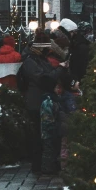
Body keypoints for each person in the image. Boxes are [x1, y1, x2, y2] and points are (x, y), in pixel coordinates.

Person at [16, 31, 57, 174]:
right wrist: (57, 72)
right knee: (38, 135)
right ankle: (38, 166)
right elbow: (42, 78)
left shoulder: (39, 58)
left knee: (41, 134)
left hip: (41, 100)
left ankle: (42, 165)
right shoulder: (30, 60)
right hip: (36, 102)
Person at [40, 80, 64, 175]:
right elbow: (47, 118)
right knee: (49, 150)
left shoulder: (56, 100)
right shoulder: (48, 101)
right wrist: (52, 127)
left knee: (54, 149)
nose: (59, 90)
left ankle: (52, 167)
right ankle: (47, 169)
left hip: (55, 129)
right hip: (48, 131)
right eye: (57, 88)